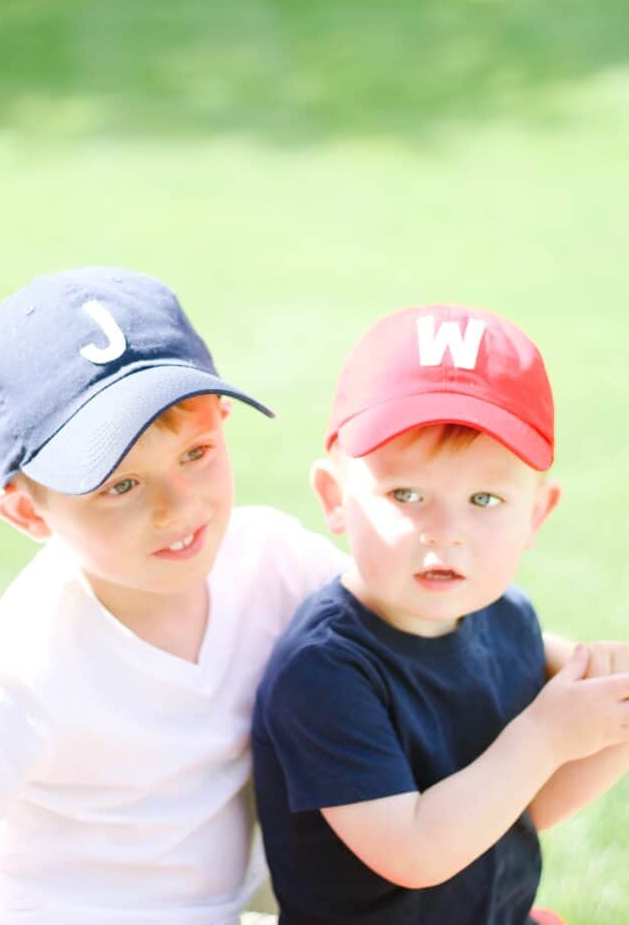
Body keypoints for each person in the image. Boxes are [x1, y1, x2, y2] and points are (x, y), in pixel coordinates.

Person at [0, 267, 348, 925]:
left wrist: (557, 665)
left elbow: (410, 626)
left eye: (195, 453)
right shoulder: (14, 678)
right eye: (119, 485)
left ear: (222, 419)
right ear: (28, 514)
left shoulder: (270, 559)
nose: (178, 507)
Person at [251, 304, 629, 925]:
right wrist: (546, 735)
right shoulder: (325, 670)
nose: (446, 532)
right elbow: (418, 851)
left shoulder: (508, 620)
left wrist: (608, 725)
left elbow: (514, 814)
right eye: (406, 495)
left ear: (536, 514)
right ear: (334, 499)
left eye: (485, 498)